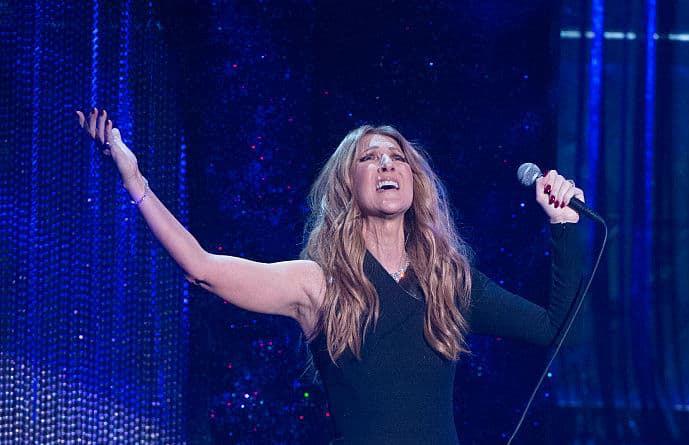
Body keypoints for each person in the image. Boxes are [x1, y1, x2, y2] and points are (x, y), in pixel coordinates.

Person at [76, 108, 585, 445]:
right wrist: (135, 180)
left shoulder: (448, 280)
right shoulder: (317, 284)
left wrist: (563, 228)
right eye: (370, 158)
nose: (387, 164)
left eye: (398, 158)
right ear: (347, 183)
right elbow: (203, 269)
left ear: (414, 181)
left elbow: (553, 328)